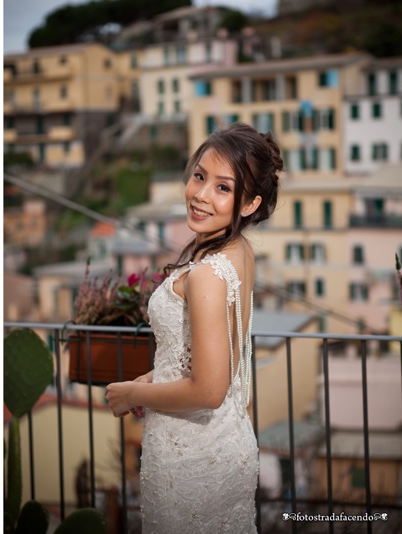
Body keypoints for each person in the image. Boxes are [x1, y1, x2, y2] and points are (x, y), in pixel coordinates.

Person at [105, 122, 281, 533]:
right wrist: (152, 378)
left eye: (223, 187)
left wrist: (133, 393)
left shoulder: (206, 274)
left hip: (190, 458)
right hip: (228, 444)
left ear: (250, 203)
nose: (201, 195)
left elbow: (208, 389)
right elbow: (204, 353)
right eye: (199, 176)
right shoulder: (240, 253)